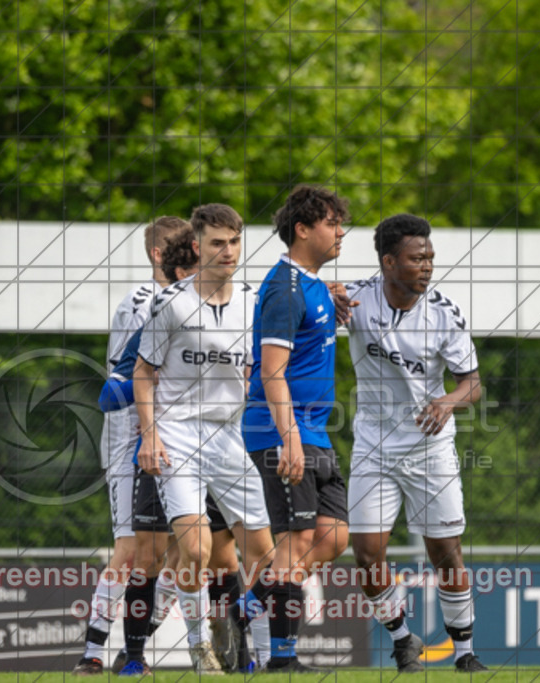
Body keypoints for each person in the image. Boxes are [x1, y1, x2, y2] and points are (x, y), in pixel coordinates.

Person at [135, 204, 275, 674]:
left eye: (234, 242)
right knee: (195, 549)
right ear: (197, 246)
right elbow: (143, 373)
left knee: (263, 555)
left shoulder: (254, 302)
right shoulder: (171, 303)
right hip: (176, 434)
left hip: (228, 434)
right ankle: (199, 649)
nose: (228, 251)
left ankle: (263, 654)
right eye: (217, 243)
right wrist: (150, 436)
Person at [342, 214, 485, 673]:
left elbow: (472, 384)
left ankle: (464, 653)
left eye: (430, 258)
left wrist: (448, 402)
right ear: (388, 262)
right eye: (416, 258)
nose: (426, 266)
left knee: (445, 552)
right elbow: (308, 296)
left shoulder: (444, 312)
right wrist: (323, 299)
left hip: (430, 448)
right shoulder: (355, 297)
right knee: (366, 553)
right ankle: (403, 640)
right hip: (373, 446)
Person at [73, 216, 192, 675]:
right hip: (131, 437)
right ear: (159, 255)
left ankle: (135, 646)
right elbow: (125, 379)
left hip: (180, 436)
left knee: (183, 552)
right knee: (130, 549)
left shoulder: (191, 300)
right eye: (180, 247)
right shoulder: (142, 302)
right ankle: (92, 652)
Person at [240, 185, 351, 673]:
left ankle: (245, 604)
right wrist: (289, 439)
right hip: (280, 430)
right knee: (296, 541)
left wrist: (333, 298)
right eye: (331, 223)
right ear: (302, 230)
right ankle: (282, 659)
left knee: (333, 537)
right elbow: (271, 372)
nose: (340, 231)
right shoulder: (284, 289)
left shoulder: (311, 284)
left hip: (315, 431)